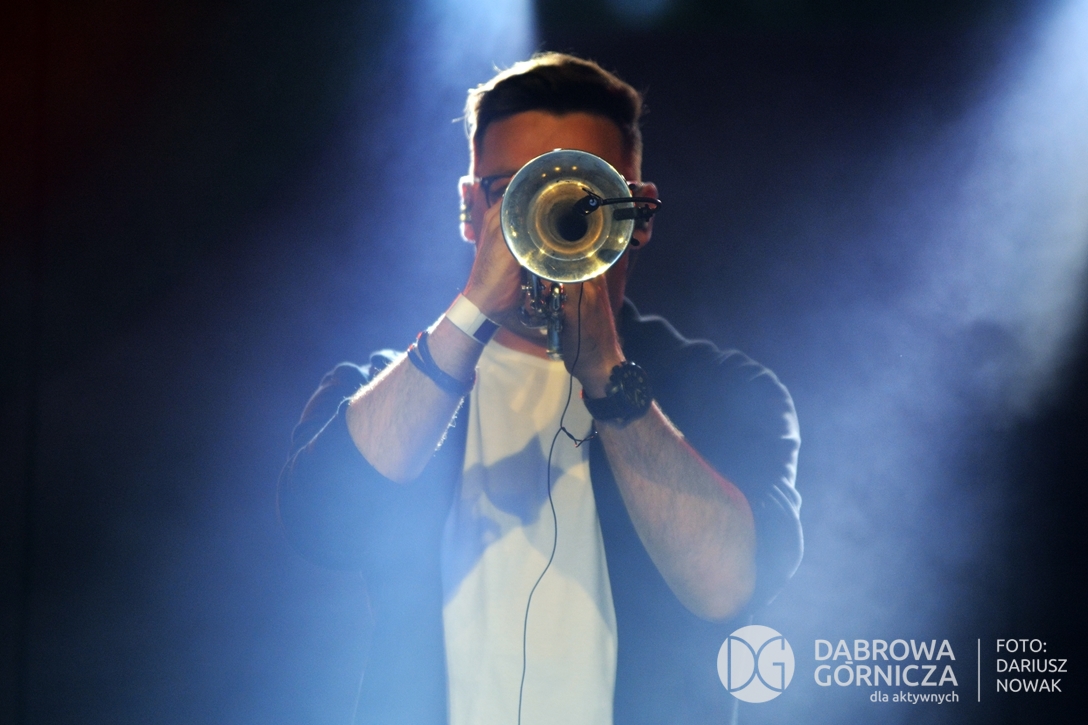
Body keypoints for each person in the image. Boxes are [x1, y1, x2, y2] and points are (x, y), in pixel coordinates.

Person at [278, 53, 802, 725]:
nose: (548, 219)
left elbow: (726, 587)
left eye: (585, 194)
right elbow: (319, 527)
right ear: (470, 209)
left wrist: (607, 374)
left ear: (639, 215)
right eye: (515, 192)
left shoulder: (726, 389)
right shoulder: (381, 385)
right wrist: (472, 309)